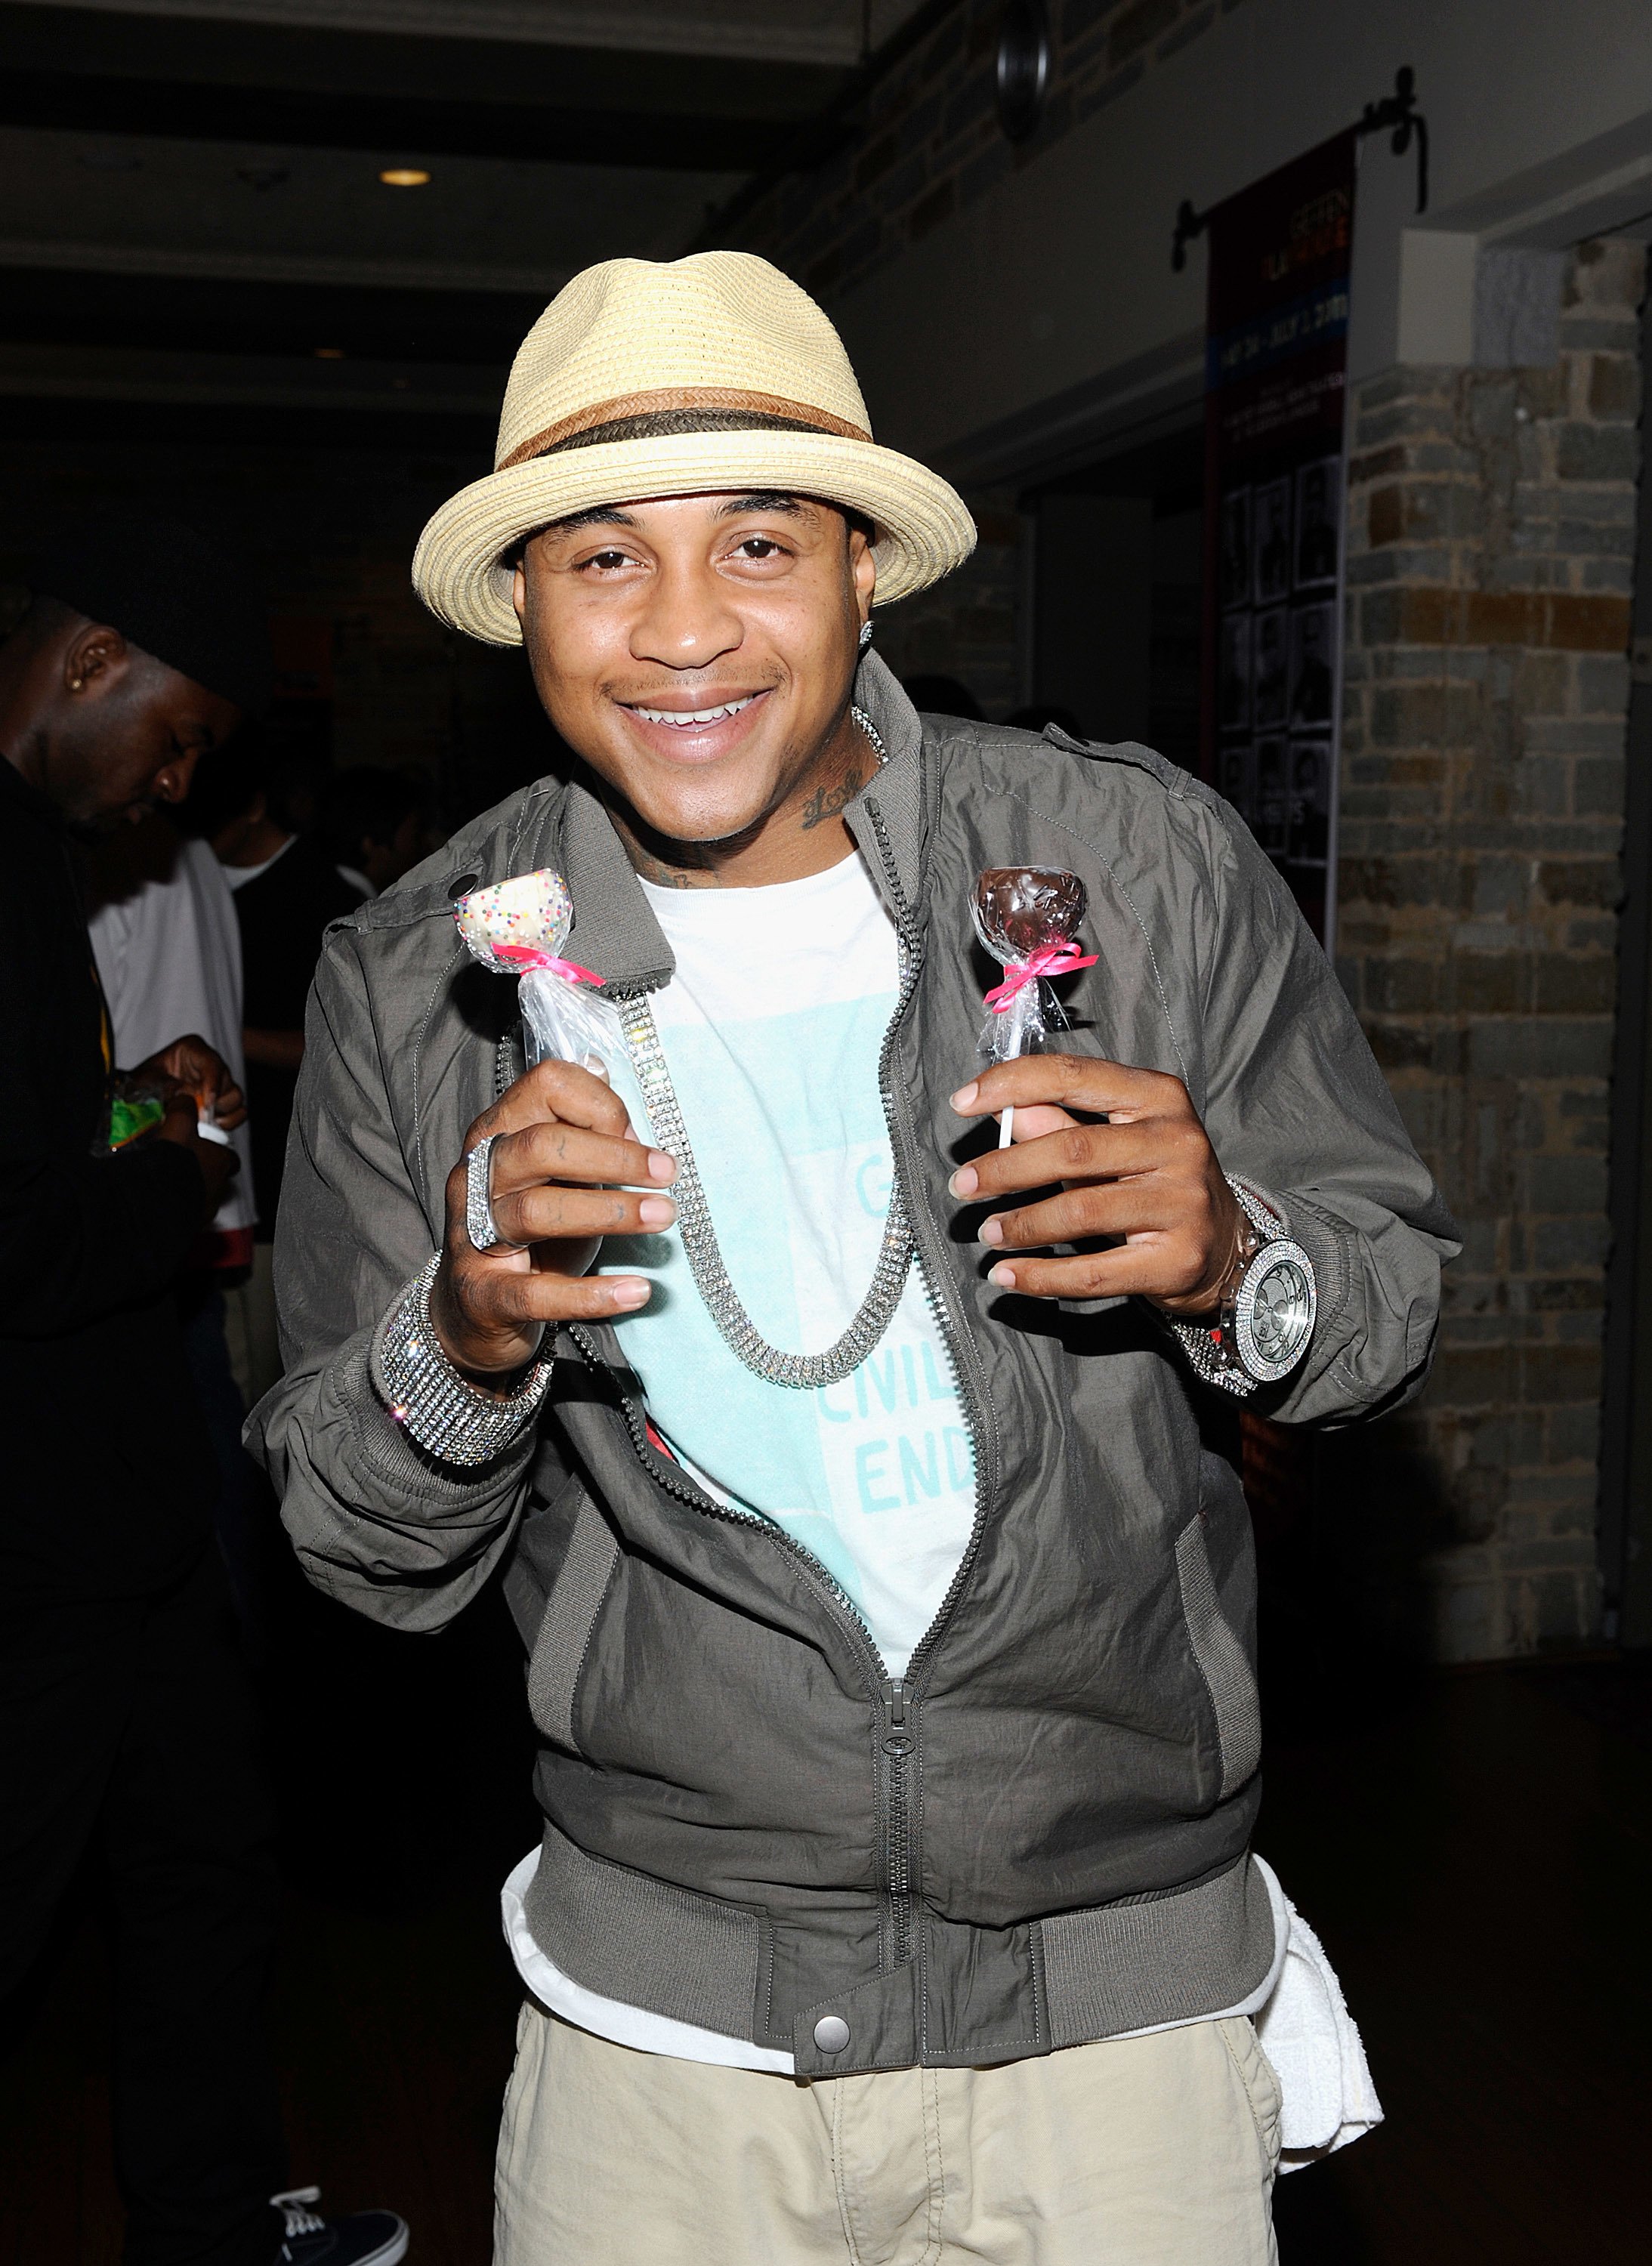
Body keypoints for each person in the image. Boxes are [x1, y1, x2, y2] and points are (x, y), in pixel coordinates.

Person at [254, 254, 1455, 2264]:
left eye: (756, 541)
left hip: (1115, 2007)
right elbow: (350, 1539)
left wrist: (1233, 1251)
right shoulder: (420, 981)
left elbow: (1387, 1300)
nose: (687, 629)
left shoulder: (1124, 864)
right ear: (523, 608)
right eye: (601, 559)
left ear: (863, 573)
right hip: (666, 2035)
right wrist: (457, 1340)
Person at [0, 523, 406, 2266]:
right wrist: (182, 1152)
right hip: (40, 1521)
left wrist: (127, 1114)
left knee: (203, 1858)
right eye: (178, 730)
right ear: (93, 658)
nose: (181, 774)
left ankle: (213, 2223)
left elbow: (26, 1160)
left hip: (120, 1501)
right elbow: (21, 1245)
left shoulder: (38, 862)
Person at [204, 739, 359, 1406]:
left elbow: (345, 1048)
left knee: (265, 1385)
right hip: (205, 1175)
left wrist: (221, 1038)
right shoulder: (179, 877)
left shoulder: (323, 894)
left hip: (281, 1180)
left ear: (251, 807)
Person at [319, 765, 428, 903]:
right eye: (416, 833)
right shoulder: (351, 911)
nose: (425, 845)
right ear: (372, 844)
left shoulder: (319, 891)